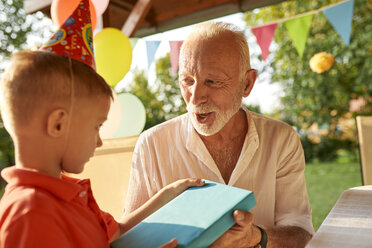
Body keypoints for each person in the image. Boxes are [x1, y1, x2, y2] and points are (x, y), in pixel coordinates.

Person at [124, 21, 314, 247]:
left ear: (247, 84)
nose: (195, 99)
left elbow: (301, 234)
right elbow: (130, 239)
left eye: (212, 82)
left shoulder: (281, 139)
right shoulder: (151, 145)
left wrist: (256, 237)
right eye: (187, 81)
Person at [0, 50, 205, 248]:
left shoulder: (72, 194)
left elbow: (119, 233)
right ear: (58, 124)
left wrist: (168, 194)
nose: (99, 142)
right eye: (97, 126)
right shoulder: (30, 214)